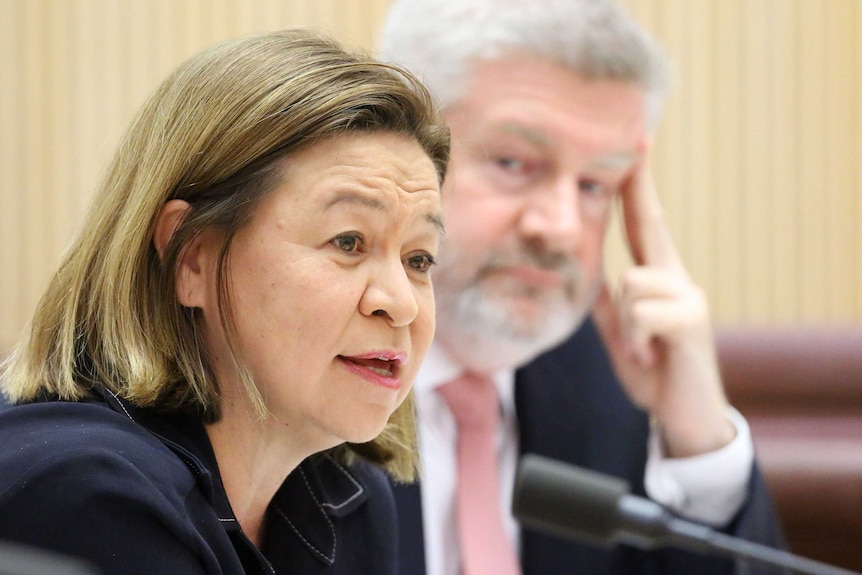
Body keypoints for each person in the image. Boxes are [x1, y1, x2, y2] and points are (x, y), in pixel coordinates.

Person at [0, 29, 449, 575]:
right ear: (192, 258)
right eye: (348, 242)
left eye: (419, 259)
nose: (400, 303)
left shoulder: (345, 494)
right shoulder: (84, 496)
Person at [378, 1, 787, 574]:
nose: (563, 227)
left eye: (596, 183)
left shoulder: (605, 385)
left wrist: (697, 440)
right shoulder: (301, 377)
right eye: (515, 162)